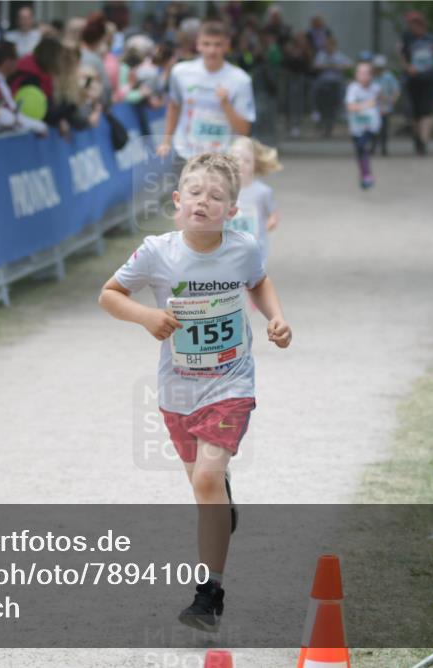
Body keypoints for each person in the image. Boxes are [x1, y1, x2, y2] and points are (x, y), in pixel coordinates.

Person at [98, 153, 291, 632]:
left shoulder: (242, 248)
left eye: (217, 196)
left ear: (231, 211)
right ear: (178, 202)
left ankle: (209, 594)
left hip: (231, 383)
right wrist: (146, 316)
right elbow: (110, 294)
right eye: (196, 193)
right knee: (204, 489)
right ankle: (221, 508)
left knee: (206, 481)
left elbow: (259, 280)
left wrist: (275, 317)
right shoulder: (157, 252)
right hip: (178, 389)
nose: (205, 201)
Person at [158, 20, 255, 163]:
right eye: (206, 44)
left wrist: (226, 104)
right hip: (186, 154)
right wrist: (166, 141)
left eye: (218, 45)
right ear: (198, 44)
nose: (212, 50)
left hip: (222, 158)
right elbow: (174, 106)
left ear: (227, 46)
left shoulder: (240, 80)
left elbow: (244, 130)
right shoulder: (180, 72)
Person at [396, 10, 433, 155]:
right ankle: (417, 138)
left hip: (429, 78)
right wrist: (407, 67)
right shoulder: (407, 39)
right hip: (413, 80)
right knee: (415, 114)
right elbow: (401, 55)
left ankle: (424, 142)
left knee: (427, 111)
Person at [226, 137, 281, 266]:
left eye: (247, 161)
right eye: (236, 159)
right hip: (228, 248)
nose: (241, 164)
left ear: (255, 164)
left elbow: (274, 213)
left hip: (255, 248)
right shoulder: (222, 190)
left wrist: (271, 222)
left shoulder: (262, 192)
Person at [0, 40, 48, 135]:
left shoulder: (0, 82)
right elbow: (14, 117)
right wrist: (40, 126)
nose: (18, 62)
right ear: (8, 61)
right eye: (16, 58)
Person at [345, 60, 382, 189]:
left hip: (371, 127)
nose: (363, 76)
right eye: (360, 73)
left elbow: (382, 102)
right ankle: (365, 174)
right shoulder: (353, 89)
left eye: (366, 73)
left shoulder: (376, 88)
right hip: (357, 127)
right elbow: (350, 107)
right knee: (360, 150)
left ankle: (366, 174)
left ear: (371, 75)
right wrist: (367, 105)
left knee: (364, 147)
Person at [311, 36, 352, 137]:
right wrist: (327, 66)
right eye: (326, 46)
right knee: (317, 94)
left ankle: (339, 114)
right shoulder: (322, 55)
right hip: (323, 83)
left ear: (334, 46)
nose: (328, 48)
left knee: (336, 102)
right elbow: (315, 65)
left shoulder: (339, 56)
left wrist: (338, 67)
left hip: (336, 84)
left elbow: (349, 65)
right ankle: (316, 112)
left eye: (330, 46)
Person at [371, 54, 399, 156]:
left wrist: (392, 101)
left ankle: (384, 148)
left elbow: (396, 90)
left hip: (385, 105)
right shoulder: (371, 76)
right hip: (373, 106)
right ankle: (373, 146)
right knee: (373, 127)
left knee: (384, 128)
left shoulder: (388, 76)